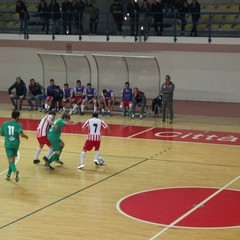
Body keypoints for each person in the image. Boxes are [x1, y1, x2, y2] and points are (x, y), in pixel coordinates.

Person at [0, 110, 28, 182]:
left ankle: (15, 171)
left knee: (10, 161)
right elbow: (21, 134)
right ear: (17, 117)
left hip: (8, 144)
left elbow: (1, 133)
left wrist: (7, 135)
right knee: (12, 160)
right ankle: (8, 175)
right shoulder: (18, 124)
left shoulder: (5, 123)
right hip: (15, 144)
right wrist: (26, 136)